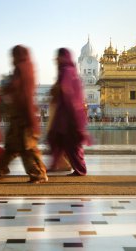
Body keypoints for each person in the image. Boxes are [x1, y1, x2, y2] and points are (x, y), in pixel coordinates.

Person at [0, 45, 48, 183]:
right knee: (12, 146)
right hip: (20, 114)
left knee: (26, 148)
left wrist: (3, 88)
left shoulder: (22, 68)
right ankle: (0, 169)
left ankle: (38, 173)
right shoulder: (27, 67)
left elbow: (20, 91)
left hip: (23, 115)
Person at [47, 48, 90, 176]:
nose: (56, 60)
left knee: (71, 143)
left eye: (58, 57)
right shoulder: (68, 71)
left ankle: (80, 169)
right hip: (65, 113)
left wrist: (57, 91)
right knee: (57, 140)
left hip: (69, 114)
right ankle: (60, 164)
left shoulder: (66, 71)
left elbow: (66, 91)